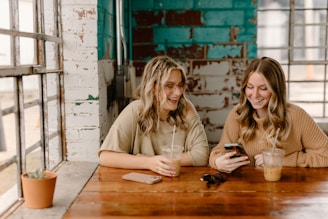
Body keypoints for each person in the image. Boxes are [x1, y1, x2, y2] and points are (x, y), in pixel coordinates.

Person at [209, 57, 328, 173]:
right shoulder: (238, 114)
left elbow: (325, 155)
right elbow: (219, 151)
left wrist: (281, 160)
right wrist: (218, 161)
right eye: (250, 87)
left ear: (276, 90)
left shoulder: (296, 116)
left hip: (289, 189)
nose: (255, 95)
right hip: (247, 189)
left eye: (263, 88)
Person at [99, 55, 209, 176]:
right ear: (153, 87)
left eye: (180, 85)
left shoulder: (185, 108)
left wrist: (158, 161)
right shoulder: (136, 110)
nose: (178, 93)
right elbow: (106, 156)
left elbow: (202, 155)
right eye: (169, 85)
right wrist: (148, 162)